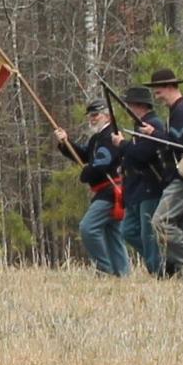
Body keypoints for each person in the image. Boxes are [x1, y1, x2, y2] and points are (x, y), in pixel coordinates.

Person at [54, 99, 128, 276]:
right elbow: (84, 155)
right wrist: (66, 143)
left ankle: (104, 269)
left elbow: (101, 164)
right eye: (89, 115)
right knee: (113, 234)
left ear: (107, 116)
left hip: (110, 190)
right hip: (105, 190)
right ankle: (122, 275)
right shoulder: (97, 138)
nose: (91, 119)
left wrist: (86, 173)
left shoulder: (111, 136)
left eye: (95, 115)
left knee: (88, 228)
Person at [143, 68, 183, 277]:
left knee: (161, 222)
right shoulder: (178, 110)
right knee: (181, 225)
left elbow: (179, 143)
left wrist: (155, 134)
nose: (156, 95)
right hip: (178, 176)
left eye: (158, 91)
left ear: (169, 87)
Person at [112, 86, 166, 275]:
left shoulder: (154, 124)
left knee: (148, 234)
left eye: (131, 105)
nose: (128, 109)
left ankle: (158, 269)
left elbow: (144, 154)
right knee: (129, 231)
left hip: (149, 187)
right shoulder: (140, 126)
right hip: (135, 188)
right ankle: (158, 263)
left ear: (139, 105)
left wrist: (123, 145)